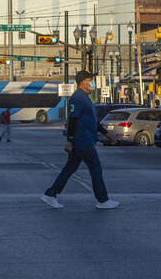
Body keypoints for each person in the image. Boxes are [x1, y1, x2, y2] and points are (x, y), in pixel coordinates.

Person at [41, 70, 120, 210]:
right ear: (83, 82)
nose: (93, 83)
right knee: (95, 169)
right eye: (91, 80)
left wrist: (107, 134)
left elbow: (92, 122)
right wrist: (69, 140)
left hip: (84, 139)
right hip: (82, 141)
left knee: (69, 169)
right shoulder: (77, 98)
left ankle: (50, 194)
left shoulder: (84, 97)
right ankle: (102, 199)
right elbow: (72, 120)